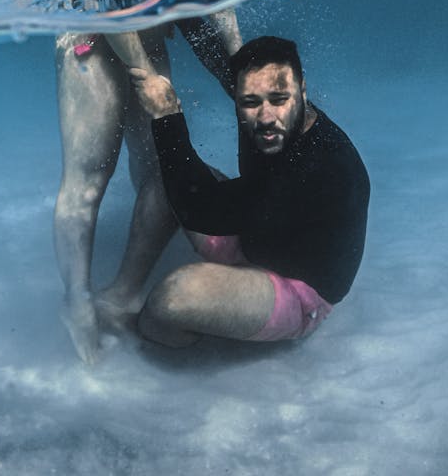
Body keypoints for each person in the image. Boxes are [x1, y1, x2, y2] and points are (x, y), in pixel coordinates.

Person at [54, 0, 242, 365]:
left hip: (146, 45)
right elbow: (104, 5)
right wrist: (142, 76)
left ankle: (128, 290)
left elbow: (216, 0)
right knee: (88, 182)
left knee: (160, 174)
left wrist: (241, 70)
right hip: (94, 49)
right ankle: (76, 303)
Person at [128, 36, 370, 347]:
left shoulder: (324, 167)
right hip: (255, 238)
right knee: (166, 178)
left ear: (303, 91)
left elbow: (197, 210)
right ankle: (123, 293)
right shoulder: (268, 109)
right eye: (251, 102)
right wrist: (186, 16)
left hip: (299, 291)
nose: (266, 117)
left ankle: (172, 352)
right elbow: (219, 60)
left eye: (280, 99)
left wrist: (165, 115)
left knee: (171, 298)